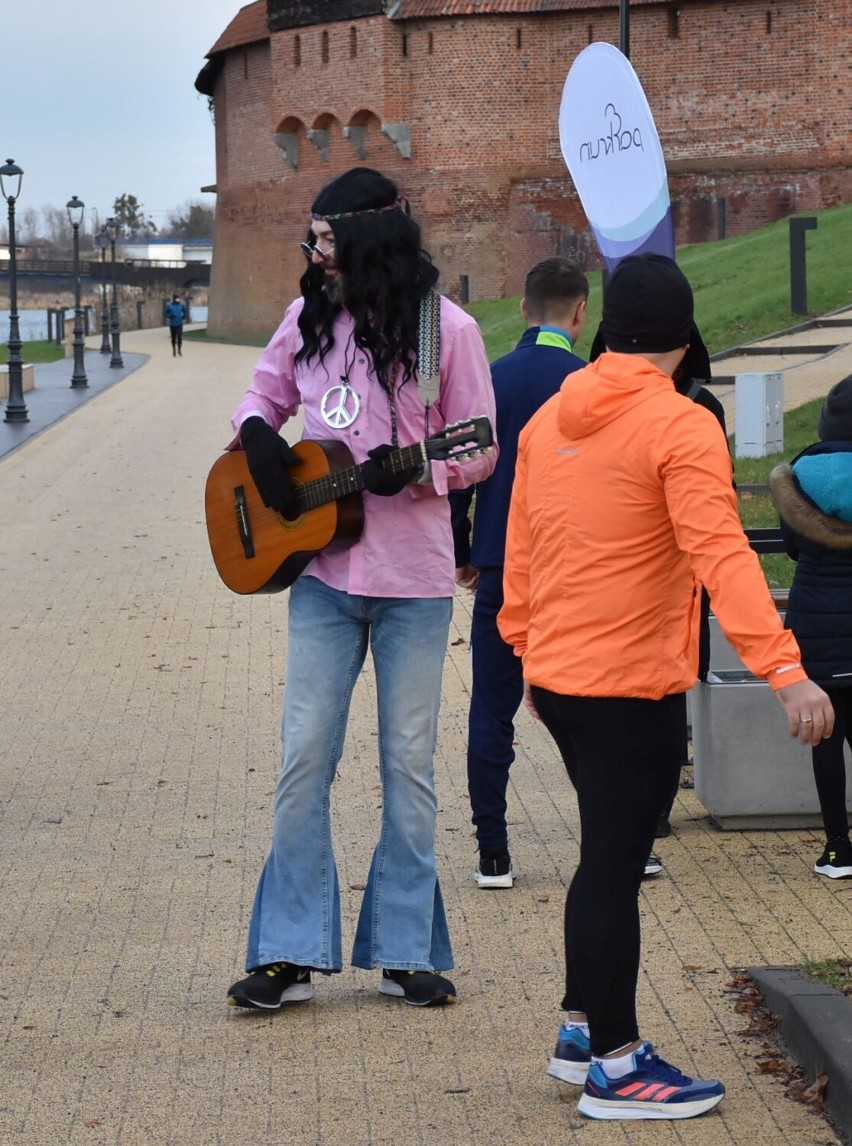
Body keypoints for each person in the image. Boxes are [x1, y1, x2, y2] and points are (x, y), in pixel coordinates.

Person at [498, 253, 833, 1121]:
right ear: (686, 339)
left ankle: (582, 1032)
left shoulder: (547, 422)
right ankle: (616, 1063)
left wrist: (530, 654)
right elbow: (722, 555)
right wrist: (785, 672)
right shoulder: (682, 427)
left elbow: (523, 554)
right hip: (628, 686)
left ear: (608, 331)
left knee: (601, 857)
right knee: (611, 865)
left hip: (566, 680)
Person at [225, 167, 496, 1011]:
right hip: (321, 575)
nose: (315, 253)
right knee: (305, 756)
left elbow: (479, 448)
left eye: (326, 239)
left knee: (407, 764)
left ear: (368, 238)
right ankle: (287, 949)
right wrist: (258, 437)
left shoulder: (445, 331)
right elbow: (259, 396)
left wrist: (413, 477)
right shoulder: (309, 320)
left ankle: (406, 949)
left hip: (413, 583)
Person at [450, 257, 588, 888]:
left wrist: (464, 548)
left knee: (492, 704)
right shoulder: (587, 383)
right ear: (580, 312)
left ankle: (493, 849)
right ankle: (621, 842)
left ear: (526, 310)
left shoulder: (493, 378)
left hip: (504, 563)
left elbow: (457, 474)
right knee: (596, 707)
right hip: (575, 567)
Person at [770, 375, 852, 879]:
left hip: (815, 625)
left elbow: (793, 548)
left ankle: (838, 851)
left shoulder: (800, 476)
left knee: (826, 738)